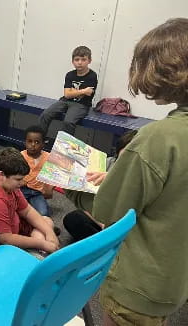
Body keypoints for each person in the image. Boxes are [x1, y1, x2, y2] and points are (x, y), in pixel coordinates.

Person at [91, 18, 188, 326]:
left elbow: (108, 209)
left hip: (137, 282)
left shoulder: (158, 138)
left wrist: (71, 185)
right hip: (172, 279)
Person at [0, 148, 59, 254]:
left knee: (47, 222)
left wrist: (49, 233)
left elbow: (27, 211)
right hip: (2, 244)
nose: (22, 182)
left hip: (15, 227)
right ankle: (38, 254)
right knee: (43, 237)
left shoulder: (9, 186)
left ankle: (40, 251)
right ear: (1, 175)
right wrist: (42, 243)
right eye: (18, 179)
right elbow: (6, 239)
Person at [63, 130, 137, 242]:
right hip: (102, 215)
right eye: (120, 160)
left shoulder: (144, 177)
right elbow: (90, 203)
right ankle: (104, 243)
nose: (122, 165)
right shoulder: (107, 163)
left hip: (129, 224)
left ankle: (108, 244)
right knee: (73, 219)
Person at [38, 46, 98, 137]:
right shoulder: (70, 75)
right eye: (77, 60)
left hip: (81, 105)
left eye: (83, 59)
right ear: (73, 61)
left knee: (68, 122)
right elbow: (67, 94)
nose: (80, 62)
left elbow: (88, 93)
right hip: (65, 101)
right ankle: (40, 140)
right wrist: (82, 91)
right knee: (45, 114)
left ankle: (64, 149)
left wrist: (73, 91)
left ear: (89, 61)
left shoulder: (92, 76)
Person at [20, 125, 53, 216]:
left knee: (43, 213)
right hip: (22, 190)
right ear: (25, 142)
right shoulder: (20, 156)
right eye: (29, 141)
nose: (33, 145)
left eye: (37, 142)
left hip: (37, 192)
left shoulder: (48, 157)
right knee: (16, 209)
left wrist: (49, 188)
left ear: (43, 144)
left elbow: (54, 175)